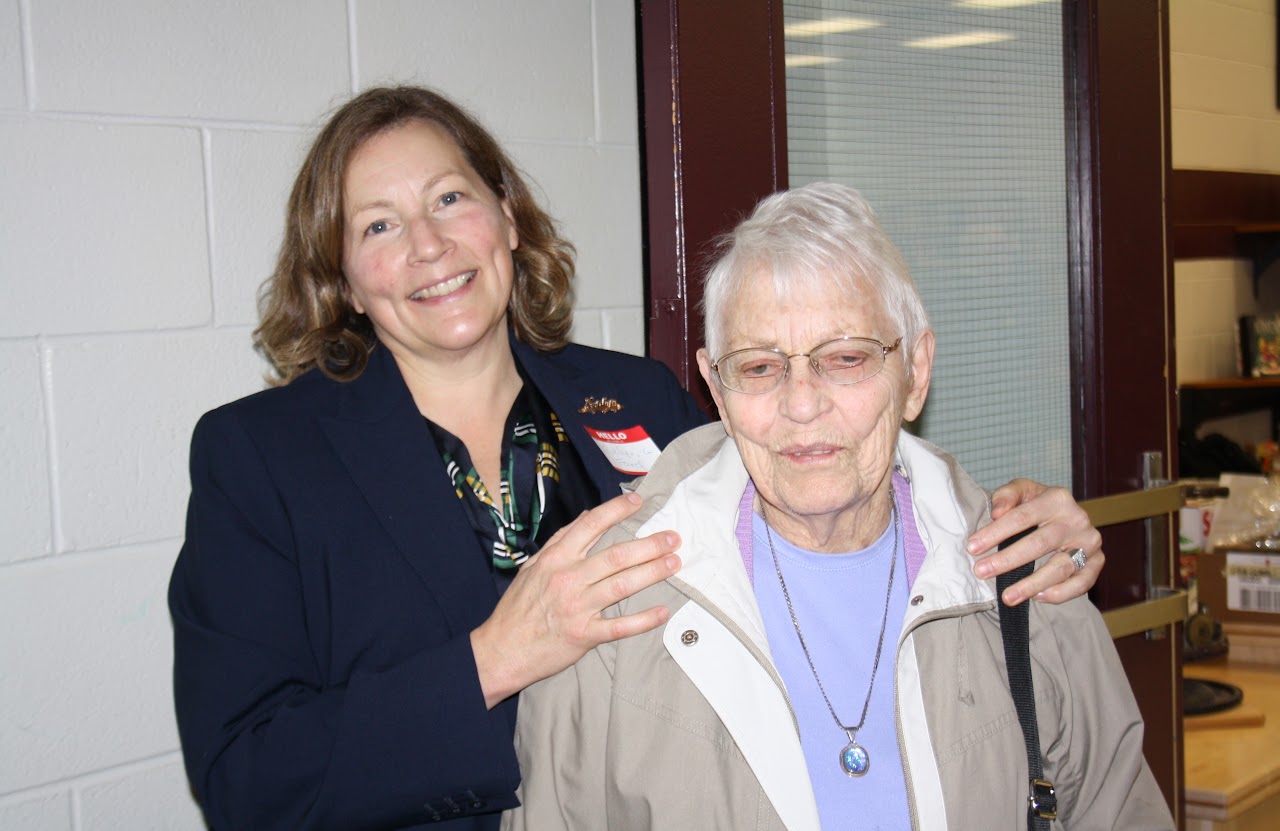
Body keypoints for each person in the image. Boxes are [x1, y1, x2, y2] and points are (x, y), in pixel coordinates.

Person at [168, 86, 1107, 831]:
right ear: (337, 275)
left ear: (505, 215)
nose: (428, 244)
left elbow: (821, 453)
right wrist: (492, 660)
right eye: (377, 224)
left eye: (451, 197)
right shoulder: (261, 460)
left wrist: (1005, 519)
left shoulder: (641, 398)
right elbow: (248, 780)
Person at [504, 183, 1173, 830]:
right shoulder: (613, 606)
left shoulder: (1027, 579)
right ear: (716, 387)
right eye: (760, 367)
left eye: (846, 358)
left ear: (916, 371)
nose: (802, 403)